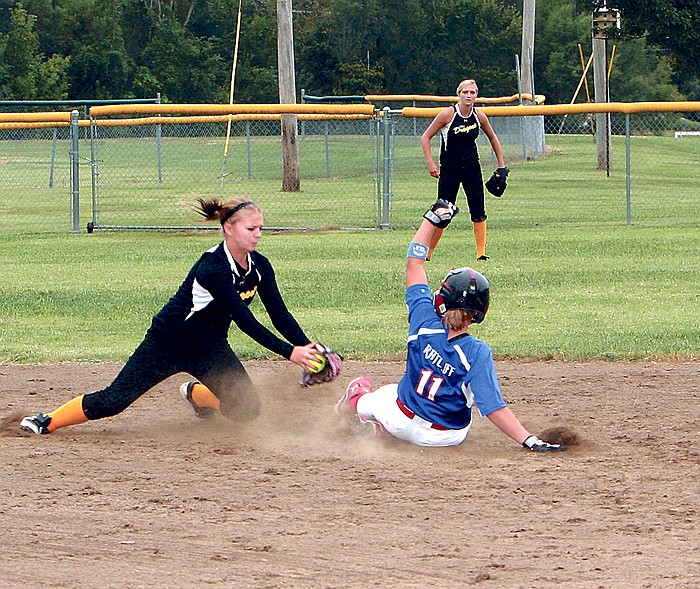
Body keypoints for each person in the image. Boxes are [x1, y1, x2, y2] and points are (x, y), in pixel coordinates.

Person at [20, 197, 329, 435]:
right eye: (251, 229)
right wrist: (290, 352)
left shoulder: (259, 266)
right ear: (228, 228)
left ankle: (196, 395)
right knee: (114, 401)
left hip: (209, 347)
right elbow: (244, 321)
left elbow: (279, 313)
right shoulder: (213, 268)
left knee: (246, 409)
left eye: (260, 228)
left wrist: (306, 345)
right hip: (167, 343)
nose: (258, 235)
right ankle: (47, 421)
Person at [335, 201, 566, 452]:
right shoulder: (477, 352)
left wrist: (431, 221)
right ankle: (382, 430)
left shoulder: (423, 320)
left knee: (386, 393)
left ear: (443, 299)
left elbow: (415, 263)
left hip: (399, 419)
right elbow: (492, 407)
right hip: (442, 438)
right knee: (457, 411)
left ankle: (358, 405)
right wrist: (529, 440)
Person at [420, 78, 508, 261]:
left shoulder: (479, 116)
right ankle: (428, 253)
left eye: (472, 92)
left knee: (478, 210)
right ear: (458, 94)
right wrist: (431, 162)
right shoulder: (448, 114)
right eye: (465, 92)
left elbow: (493, 138)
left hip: (471, 168)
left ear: (476, 95)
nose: (468, 96)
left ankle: (481, 253)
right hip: (449, 169)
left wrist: (501, 164)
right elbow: (425, 137)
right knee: (443, 212)